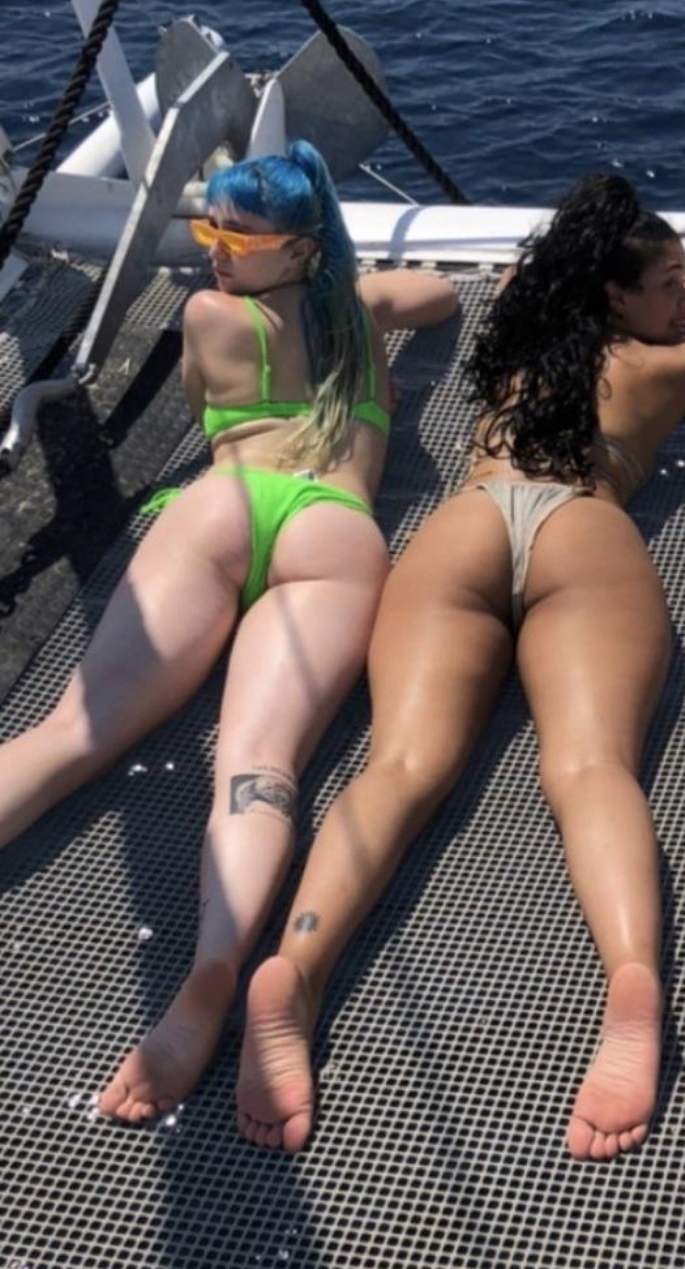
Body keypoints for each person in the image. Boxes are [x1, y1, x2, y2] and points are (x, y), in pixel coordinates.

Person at [0, 139, 457, 1122]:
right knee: (259, 765)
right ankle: (213, 971)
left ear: (293, 248)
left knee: (77, 730)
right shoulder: (359, 310)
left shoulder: (210, 318)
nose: (211, 249)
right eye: (209, 226)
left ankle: (210, 981)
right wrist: (356, 290)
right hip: (332, 531)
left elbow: (208, 407)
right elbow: (439, 297)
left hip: (224, 507)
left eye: (235, 237)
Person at [234, 172, 685, 1159]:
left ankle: (296, 966)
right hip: (580, 525)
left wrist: (590, 257)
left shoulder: (521, 334)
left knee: (398, 765)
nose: (681, 301)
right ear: (615, 297)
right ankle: (631, 979)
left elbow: (529, 273)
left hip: (466, 524)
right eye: (670, 286)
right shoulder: (662, 367)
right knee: (590, 767)